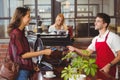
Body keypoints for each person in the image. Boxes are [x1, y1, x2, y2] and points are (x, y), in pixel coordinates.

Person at [67, 13, 120, 79]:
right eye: (95, 21)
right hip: (98, 69)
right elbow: (87, 53)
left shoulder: (113, 37)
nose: (95, 23)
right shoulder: (96, 39)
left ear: (105, 24)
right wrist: (75, 49)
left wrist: (109, 65)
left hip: (111, 70)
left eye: (98, 21)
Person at [7, 7, 52, 80]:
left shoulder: (20, 32)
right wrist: (43, 52)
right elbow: (23, 55)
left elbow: (23, 55)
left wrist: (32, 65)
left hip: (24, 70)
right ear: (21, 17)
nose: (30, 19)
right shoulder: (16, 33)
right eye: (28, 16)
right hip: (21, 71)